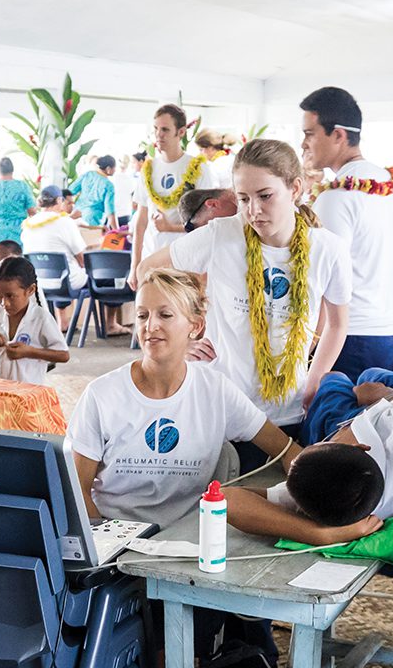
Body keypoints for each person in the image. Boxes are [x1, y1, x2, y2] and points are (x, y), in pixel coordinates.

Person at [145, 137, 349, 444]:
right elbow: (148, 271)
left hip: (288, 410)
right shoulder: (221, 235)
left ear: (295, 189)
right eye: (243, 199)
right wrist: (177, 344)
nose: (253, 211)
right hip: (221, 407)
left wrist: (315, 379)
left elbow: (337, 323)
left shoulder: (328, 249)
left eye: (265, 196)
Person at [66, 269, 297, 529]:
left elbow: (287, 451)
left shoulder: (215, 391)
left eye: (165, 315)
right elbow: (76, 491)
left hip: (189, 540)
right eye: (142, 315)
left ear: (195, 326)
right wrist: (108, 552)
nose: (150, 326)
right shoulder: (102, 395)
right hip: (115, 542)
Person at [225, 370, 393, 548]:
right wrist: (385, 394)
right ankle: (350, 386)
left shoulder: (327, 496)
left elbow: (224, 499)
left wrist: (319, 534)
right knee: (368, 377)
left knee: (333, 383)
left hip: (378, 425)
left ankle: (339, 385)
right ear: (361, 446)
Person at [298, 85, 393, 375]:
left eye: (310, 133)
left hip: (351, 338)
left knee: (340, 422)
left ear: (338, 135)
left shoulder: (335, 196)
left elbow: (323, 282)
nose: (304, 144)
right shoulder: (390, 185)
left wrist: (308, 353)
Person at [0, 255, 70, 387]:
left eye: (10, 296)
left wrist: (29, 352)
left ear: (30, 290)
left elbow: (63, 355)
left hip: (27, 391)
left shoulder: (41, 318)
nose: (4, 302)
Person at [129, 104, 211, 263]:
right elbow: (141, 220)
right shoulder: (148, 168)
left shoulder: (199, 168)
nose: (159, 135)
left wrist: (171, 228)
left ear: (181, 132)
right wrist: (135, 265)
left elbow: (208, 222)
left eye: (165, 130)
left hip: (186, 260)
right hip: (151, 257)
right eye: (156, 129)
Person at [20, 185, 87, 290]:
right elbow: (82, 260)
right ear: (59, 200)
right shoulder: (65, 222)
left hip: (38, 282)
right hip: (67, 282)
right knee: (101, 278)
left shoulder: (28, 224)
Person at [0, 155, 36, 249]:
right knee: (17, 261)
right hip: (18, 231)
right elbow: (32, 212)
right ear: (12, 170)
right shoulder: (23, 186)